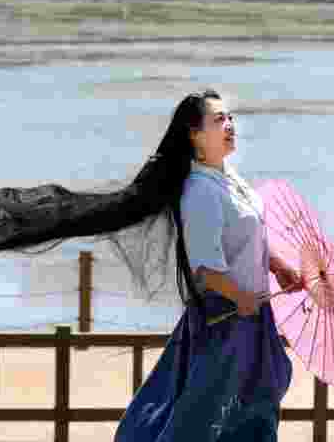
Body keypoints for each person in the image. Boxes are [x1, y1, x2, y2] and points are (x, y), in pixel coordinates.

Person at [114, 90, 304, 442]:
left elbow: (248, 233)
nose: (230, 125)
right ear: (195, 135)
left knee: (256, 407)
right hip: (225, 320)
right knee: (204, 418)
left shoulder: (230, 177)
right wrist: (241, 297)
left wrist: (277, 266)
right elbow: (205, 268)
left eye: (229, 118)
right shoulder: (201, 191)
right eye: (219, 120)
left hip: (253, 316)